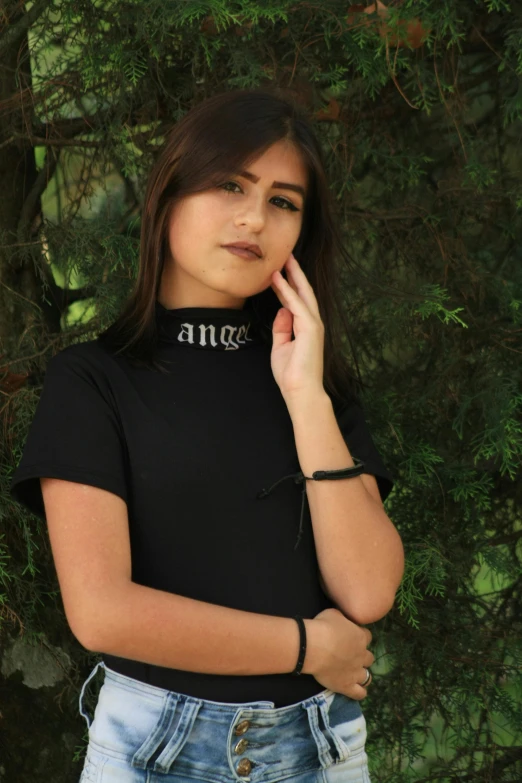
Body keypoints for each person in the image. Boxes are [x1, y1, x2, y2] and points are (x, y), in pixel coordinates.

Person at [10, 87, 404, 782]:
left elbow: (369, 590)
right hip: (155, 750)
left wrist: (306, 397)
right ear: (171, 191)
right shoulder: (93, 380)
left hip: (321, 749)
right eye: (230, 184)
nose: (254, 216)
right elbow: (102, 612)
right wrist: (307, 645)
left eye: (284, 201)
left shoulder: (313, 383)